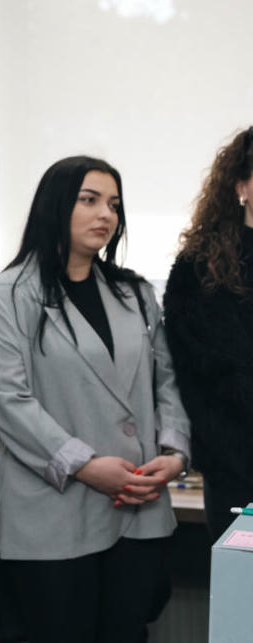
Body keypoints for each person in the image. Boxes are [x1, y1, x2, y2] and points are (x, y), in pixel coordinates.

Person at [0, 156, 190, 643]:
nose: (105, 215)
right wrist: (86, 466)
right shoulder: (3, 297)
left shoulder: (135, 293)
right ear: (55, 205)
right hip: (54, 512)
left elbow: (167, 379)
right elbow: (11, 403)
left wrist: (174, 454)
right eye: (89, 200)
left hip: (138, 502)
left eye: (114, 204)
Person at [163, 126, 253, 541]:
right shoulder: (199, 270)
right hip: (237, 470)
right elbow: (197, 379)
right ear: (241, 186)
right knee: (244, 581)